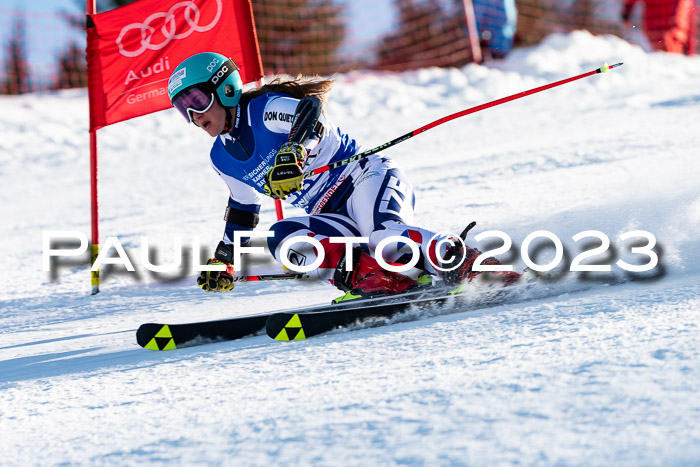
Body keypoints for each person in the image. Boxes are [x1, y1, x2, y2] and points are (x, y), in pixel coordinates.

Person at [167, 52, 519, 299]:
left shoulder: (263, 109)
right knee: (285, 239)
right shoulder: (221, 158)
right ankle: (380, 281)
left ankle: (468, 262)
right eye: (184, 108)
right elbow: (243, 209)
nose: (194, 114)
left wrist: (295, 151)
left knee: (384, 238)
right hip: (329, 214)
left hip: (363, 179)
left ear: (225, 88)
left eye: (197, 99)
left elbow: (311, 113)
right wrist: (225, 260)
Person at [622, 0, 694, 53]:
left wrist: (628, 9)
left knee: (663, 54)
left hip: (660, 23)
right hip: (665, 23)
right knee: (665, 55)